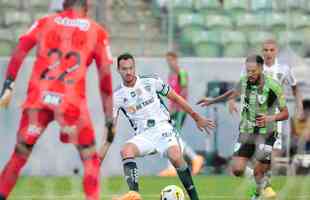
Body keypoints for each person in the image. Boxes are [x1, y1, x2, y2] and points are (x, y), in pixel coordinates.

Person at [0, 1, 114, 200]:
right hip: (71, 105)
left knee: (19, 156)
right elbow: (105, 77)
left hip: (39, 100)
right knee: (90, 159)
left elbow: (20, 49)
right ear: (86, 6)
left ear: (64, 4)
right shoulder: (97, 31)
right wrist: (109, 118)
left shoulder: (45, 22)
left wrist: (8, 84)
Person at [112, 53, 215, 200]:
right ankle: (134, 195)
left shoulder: (175, 75)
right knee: (127, 150)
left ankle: (192, 173)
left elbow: (180, 94)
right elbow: (110, 127)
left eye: (130, 68)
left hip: (168, 120)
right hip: (145, 134)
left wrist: (195, 116)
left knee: (175, 150)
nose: (128, 72)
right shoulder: (118, 95)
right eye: (124, 69)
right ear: (118, 69)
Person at [197, 55, 289, 200]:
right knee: (237, 170)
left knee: (260, 171)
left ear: (261, 68)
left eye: (253, 71)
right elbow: (232, 93)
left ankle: (258, 192)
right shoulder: (244, 82)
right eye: (248, 71)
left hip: (267, 134)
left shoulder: (273, 86)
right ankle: (263, 185)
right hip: (246, 132)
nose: (250, 74)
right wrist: (212, 100)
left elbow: (285, 113)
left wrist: (269, 118)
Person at [228, 39, 305, 198]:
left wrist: (300, 106)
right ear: (262, 51)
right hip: (251, 118)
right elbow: (240, 85)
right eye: (265, 50)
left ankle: (259, 190)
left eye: (271, 50)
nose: (268, 53)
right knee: (244, 164)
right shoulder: (253, 67)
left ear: (276, 51)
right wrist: (231, 100)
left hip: (273, 119)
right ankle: (263, 185)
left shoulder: (284, 69)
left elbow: (295, 87)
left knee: (271, 157)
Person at [159, 52, 204, 177]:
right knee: (172, 137)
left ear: (176, 60)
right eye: (167, 60)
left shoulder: (181, 73)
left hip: (180, 111)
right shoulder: (170, 75)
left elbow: (184, 91)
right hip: (173, 111)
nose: (169, 63)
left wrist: (179, 107)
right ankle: (194, 159)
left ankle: (185, 162)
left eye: (171, 60)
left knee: (171, 137)